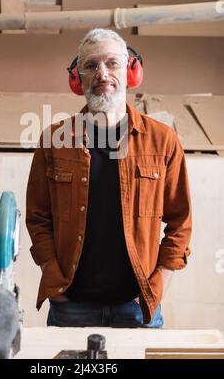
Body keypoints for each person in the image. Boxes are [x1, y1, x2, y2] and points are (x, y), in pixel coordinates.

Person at [26, 28, 192, 328]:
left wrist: (160, 285)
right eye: (90, 65)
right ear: (78, 79)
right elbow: (38, 217)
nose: (102, 73)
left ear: (131, 70)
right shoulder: (54, 140)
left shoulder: (163, 140)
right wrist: (51, 272)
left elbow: (181, 222)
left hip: (137, 306)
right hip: (70, 306)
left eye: (112, 63)